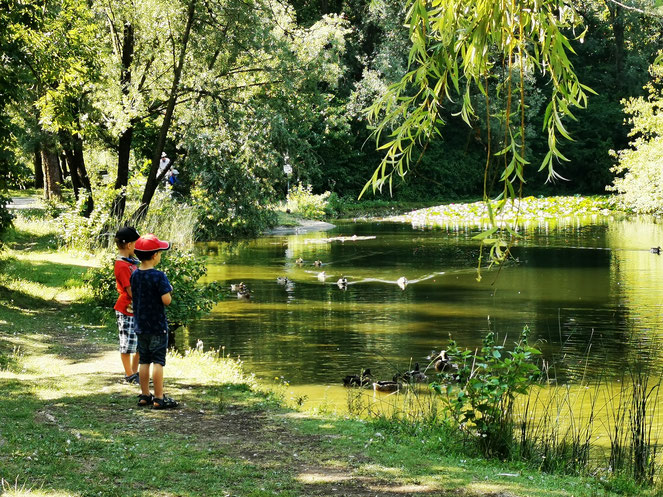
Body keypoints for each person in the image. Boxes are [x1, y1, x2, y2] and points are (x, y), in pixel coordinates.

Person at [131, 234, 178, 409]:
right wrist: (168, 291)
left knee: (144, 360)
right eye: (160, 252)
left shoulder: (135, 274)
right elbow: (166, 300)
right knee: (158, 361)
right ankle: (159, 398)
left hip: (140, 325)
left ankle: (145, 395)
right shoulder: (159, 276)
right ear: (154, 255)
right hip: (157, 325)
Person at [113, 226, 141, 384]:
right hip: (126, 310)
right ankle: (129, 373)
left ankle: (135, 371)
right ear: (129, 245)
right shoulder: (122, 266)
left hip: (136, 309)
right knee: (128, 343)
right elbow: (131, 291)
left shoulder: (131, 262)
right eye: (136, 243)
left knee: (139, 344)